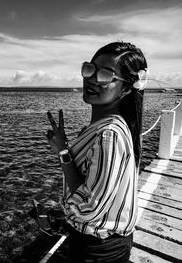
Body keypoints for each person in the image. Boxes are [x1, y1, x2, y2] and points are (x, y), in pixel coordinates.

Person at [46, 41, 148, 262]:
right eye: (89, 69)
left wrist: (63, 152)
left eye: (105, 75)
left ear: (127, 88)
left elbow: (89, 207)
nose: (91, 78)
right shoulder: (110, 126)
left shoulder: (108, 134)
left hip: (98, 250)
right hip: (104, 245)